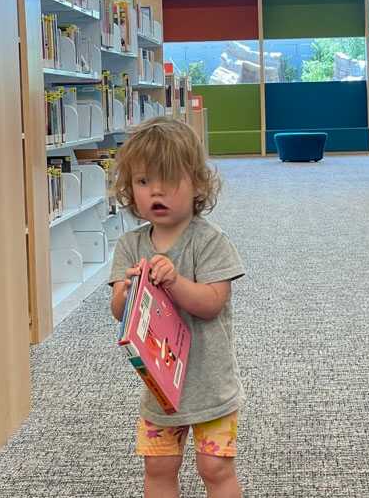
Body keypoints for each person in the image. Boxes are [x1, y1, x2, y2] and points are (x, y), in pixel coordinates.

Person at [108, 117, 245, 498]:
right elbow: (119, 311)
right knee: (158, 466)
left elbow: (213, 304)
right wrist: (129, 289)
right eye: (143, 182)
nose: (157, 192)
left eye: (169, 181)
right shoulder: (130, 246)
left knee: (214, 468)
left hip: (210, 386)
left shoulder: (209, 242)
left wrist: (175, 282)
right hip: (160, 390)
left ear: (197, 184)